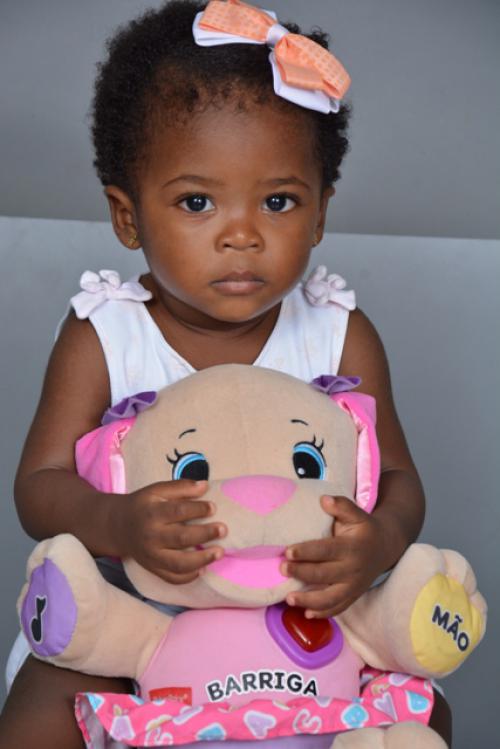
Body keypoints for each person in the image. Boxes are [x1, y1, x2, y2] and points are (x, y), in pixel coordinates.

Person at [0, 0, 452, 746]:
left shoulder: (340, 333)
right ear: (128, 217)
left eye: (278, 201)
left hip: (301, 609)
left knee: (422, 707)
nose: (242, 234)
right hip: (140, 613)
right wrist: (119, 522)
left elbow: (399, 477)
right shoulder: (104, 335)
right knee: (46, 701)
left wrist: (378, 541)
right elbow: (38, 487)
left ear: (320, 213)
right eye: (197, 201)